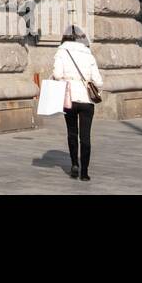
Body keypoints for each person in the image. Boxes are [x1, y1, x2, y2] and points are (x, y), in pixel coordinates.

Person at [52, 26, 104, 181]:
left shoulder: (61, 52)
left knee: (72, 133)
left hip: (69, 98)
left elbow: (57, 74)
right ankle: (85, 172)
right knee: (85, 136)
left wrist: (66, 80)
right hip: (87, 101)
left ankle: (75, 165)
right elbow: (98, 81)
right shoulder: (88, 54)